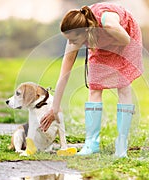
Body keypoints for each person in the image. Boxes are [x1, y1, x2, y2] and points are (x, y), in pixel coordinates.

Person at [40, 2, 143, 157]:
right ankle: (91, 143)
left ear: (85, 32)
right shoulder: (77, 36)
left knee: (123, 87)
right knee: (95, 87)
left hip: (123, 36)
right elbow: (64, 73)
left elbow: (126, 40)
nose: (72, 44)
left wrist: (104, 43)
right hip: (98, 41)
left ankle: (121, 145)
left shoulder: (108, 23)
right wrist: (54, 109)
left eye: (74, 40)